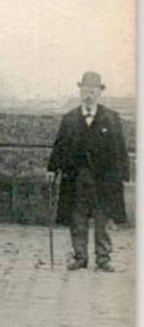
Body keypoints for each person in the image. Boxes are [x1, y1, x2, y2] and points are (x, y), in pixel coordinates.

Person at [47, 71, 129, 272]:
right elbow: (60, 146)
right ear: (80, 91)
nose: (89, 95)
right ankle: (79, 256)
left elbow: (120, 148)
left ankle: (103, 258)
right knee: (77, 218)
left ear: (99, 93)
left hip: (104, 179)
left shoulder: (111, 118)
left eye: (93, 91)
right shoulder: (70, 119)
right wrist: (52, 168)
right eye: (85, 90)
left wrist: (123, 174)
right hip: (77, 177)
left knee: (102, 219)